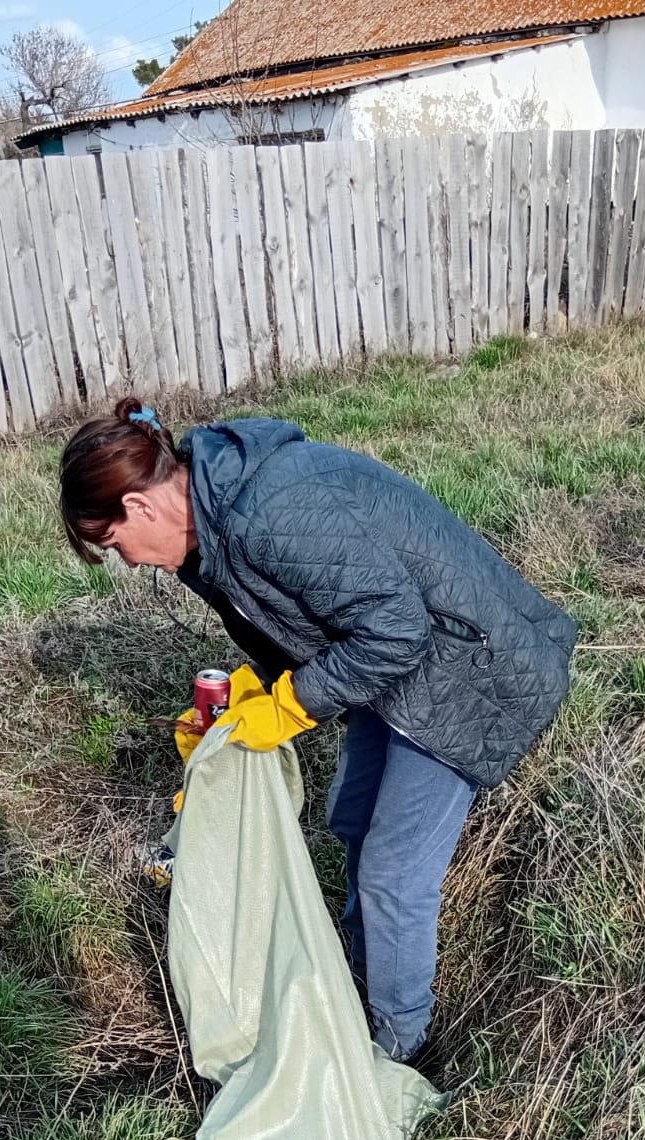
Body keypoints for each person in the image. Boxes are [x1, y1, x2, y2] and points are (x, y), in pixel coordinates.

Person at [59, 397, 576, 1067]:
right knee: (353, 820)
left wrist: (291, 707)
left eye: (115, 546)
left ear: (139, 509)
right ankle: (368, 987)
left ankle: (397, 1049)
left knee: (394, 873)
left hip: (469, 672)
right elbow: (303, 622)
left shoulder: (267, 509)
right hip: (402, 669)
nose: (131, 563)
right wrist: (250, 697)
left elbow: (396, 629)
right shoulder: (209, 537)